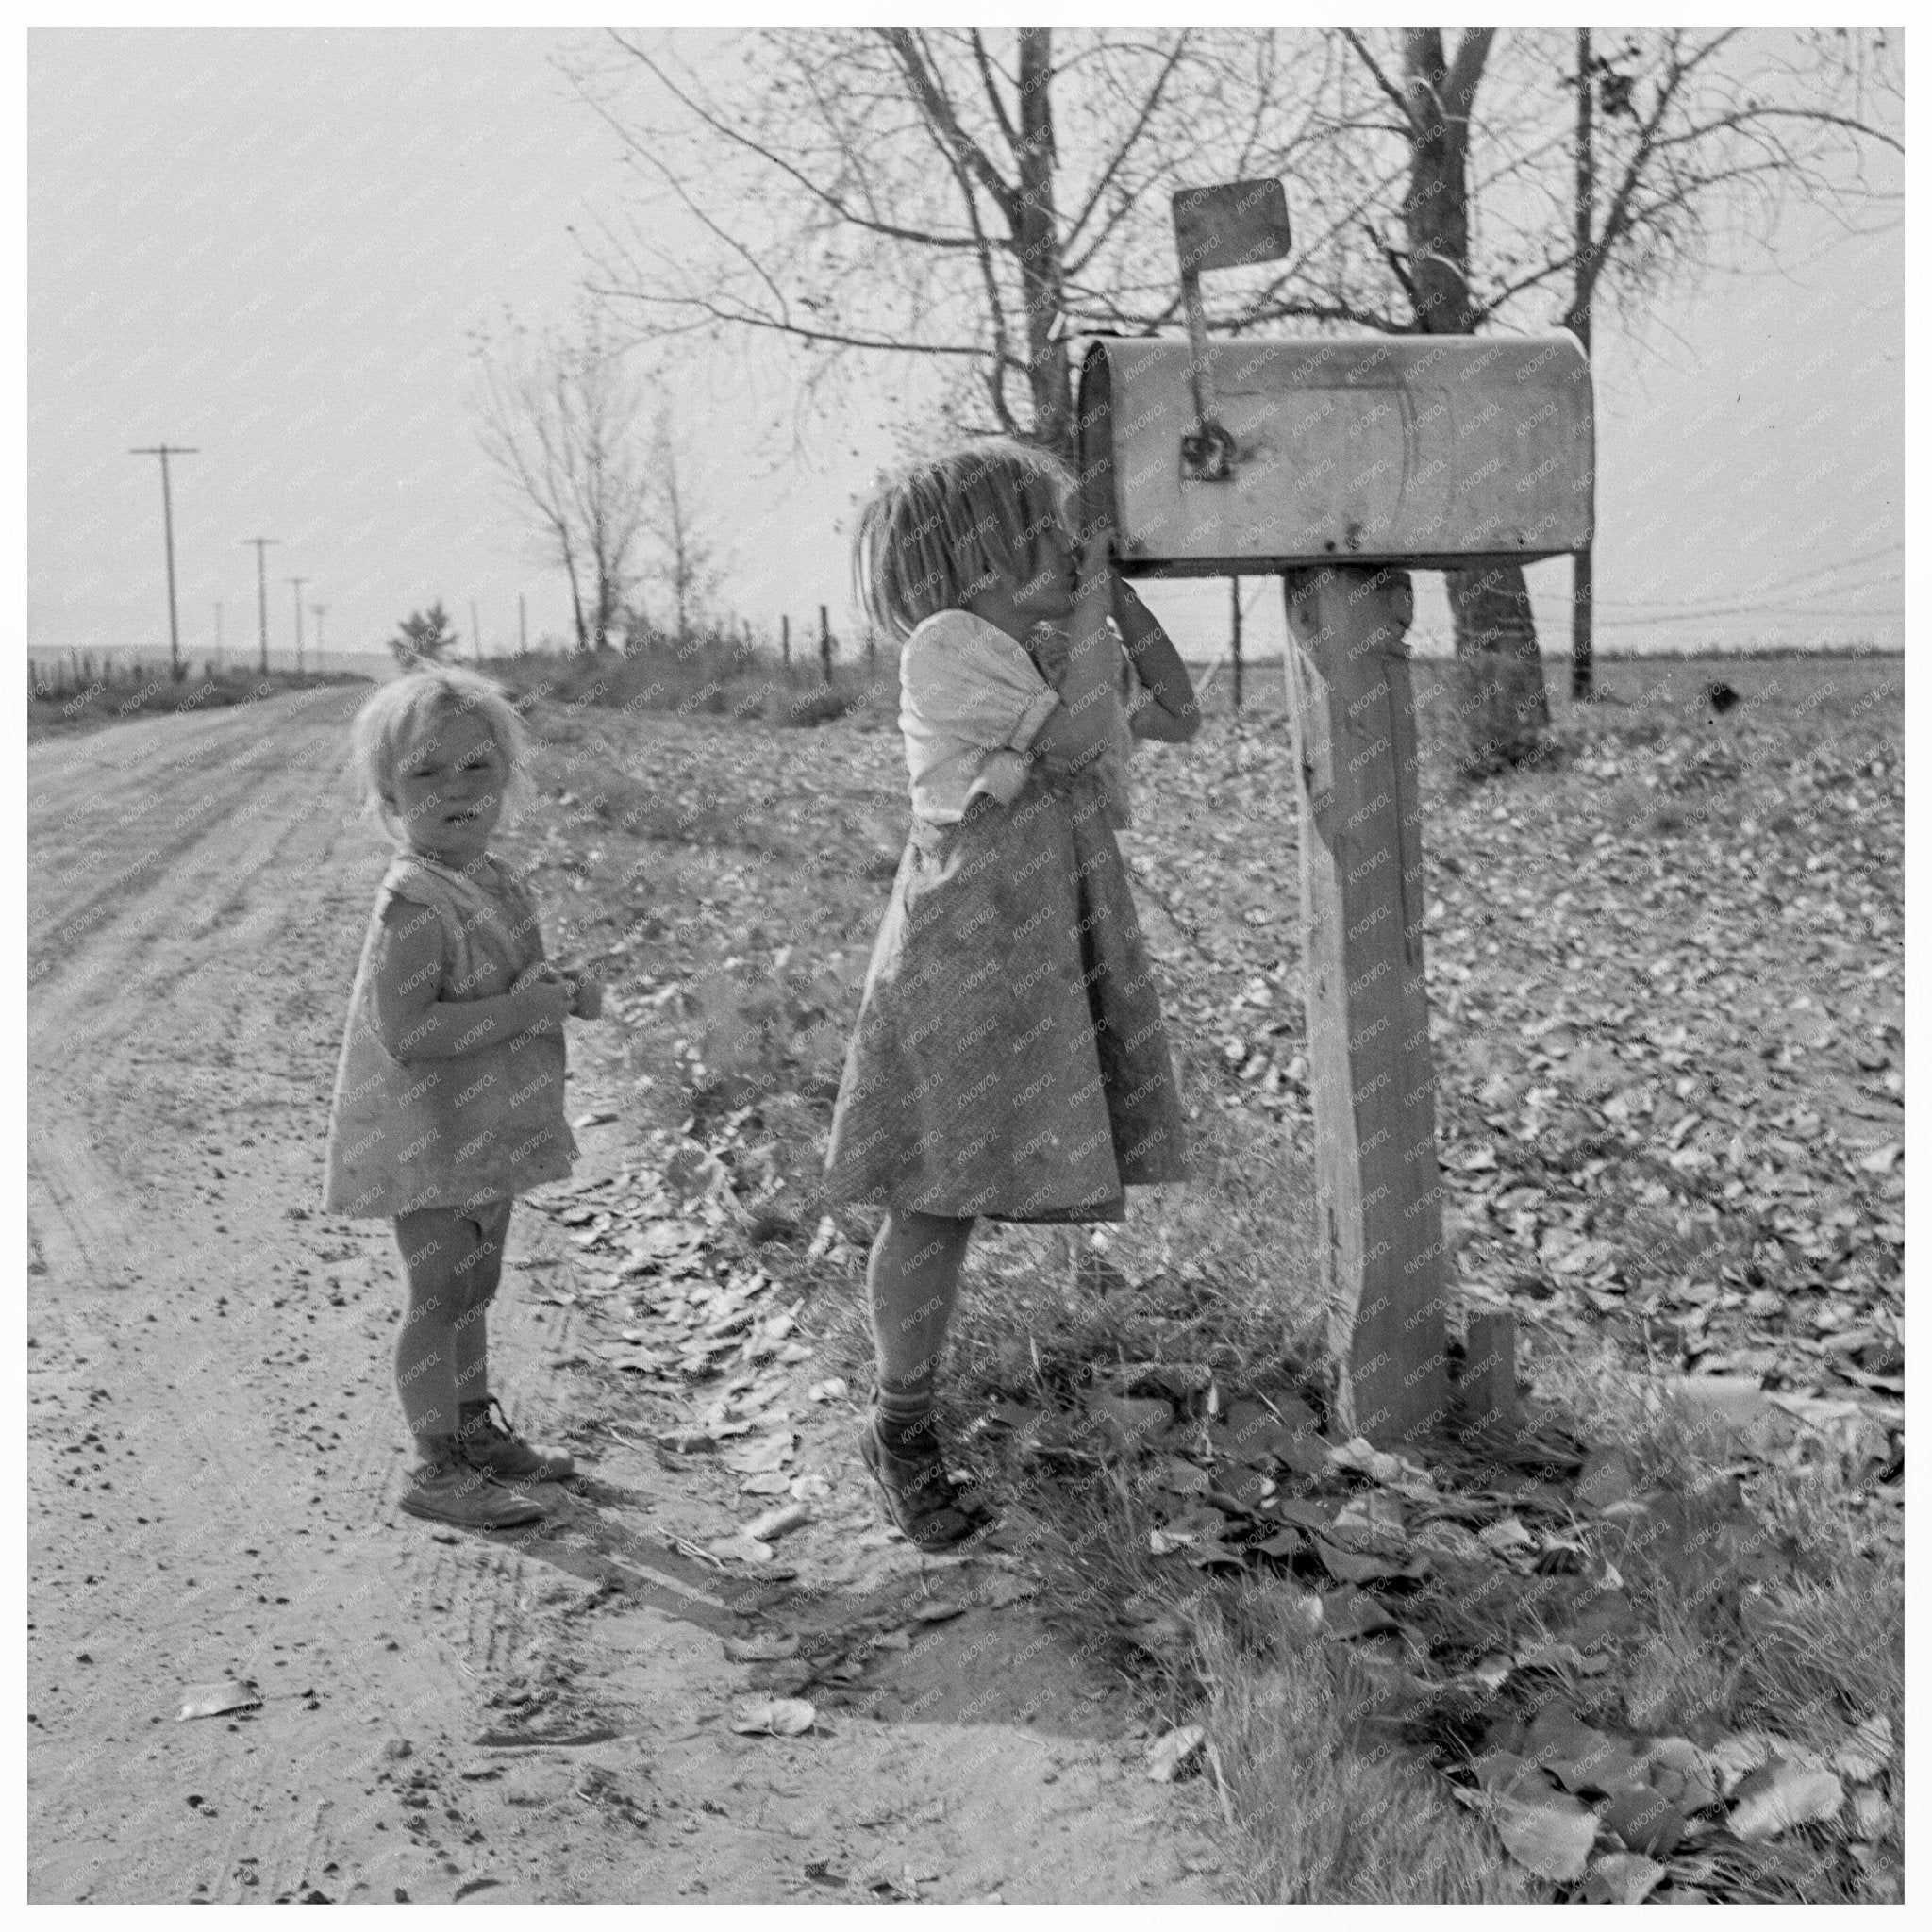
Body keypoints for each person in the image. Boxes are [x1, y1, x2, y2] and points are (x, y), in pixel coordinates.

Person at [824, 441, 1200, 1549]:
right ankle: (898, 1428)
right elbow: (1083, 733)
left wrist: (1110, 594)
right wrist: (1088, 608)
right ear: (984, 553)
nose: (1067, 545)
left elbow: (1173, 710)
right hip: (967, 940)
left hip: (1037, 932)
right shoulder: (946, 646)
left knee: (960, 1191)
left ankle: (913, 1419)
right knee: (932, 1192)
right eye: (1050, 528)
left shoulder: (1044, 639)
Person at [324, 664, 603, 1531]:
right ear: (388, 795)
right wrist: (521, 1010)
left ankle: (476, 1431)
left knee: (476, 1287)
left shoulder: (498, 880)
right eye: (427, 774)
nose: (456, 790)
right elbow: (407, 1031)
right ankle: (432, 1466)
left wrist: (563, 990)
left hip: (486, 1124)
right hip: (428, 1131)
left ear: (508, 781)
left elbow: (522, 981)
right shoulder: (411, 905)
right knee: (438, 1293)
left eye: (477, 768)